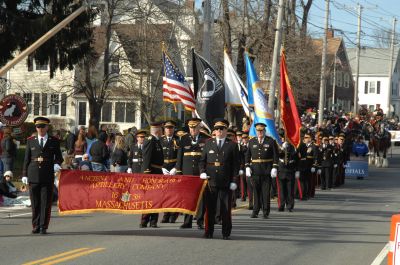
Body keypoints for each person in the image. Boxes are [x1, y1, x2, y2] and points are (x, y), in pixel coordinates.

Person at [22, 117, 63, 234]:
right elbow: (26, 159)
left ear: (47, 127)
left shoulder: (53, 141)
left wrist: (56, 164)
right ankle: (35, 225)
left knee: (45, 202)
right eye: (38, 127)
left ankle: (43, 226)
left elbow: (59, 157)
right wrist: (24, 174)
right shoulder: (31, 140)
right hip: (33, 173)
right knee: (35, 202)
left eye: (42, 126)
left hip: (47, 174)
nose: (40, 129)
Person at [199, 119, 239, 240]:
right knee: (210, 208)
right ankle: (208, 231)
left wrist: (234, 180)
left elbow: (236, 164)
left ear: (226, 130)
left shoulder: (232, 145)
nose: (219, 131)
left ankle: (226, 232)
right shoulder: (208, 143)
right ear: (214, 131)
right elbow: (202, 161)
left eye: (222, 129)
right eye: (217, 129)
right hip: (211, 181)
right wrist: (202, 172)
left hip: (226, 181)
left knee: (225, 209)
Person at [173, 118, 209, 229]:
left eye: (195, 127)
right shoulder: (183, 139)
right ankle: (187, 221)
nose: (193, 130)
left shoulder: (205, 139)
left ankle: (199, 221)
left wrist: (206, 171)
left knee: (201, 197)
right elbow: (180, 157)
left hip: (200, 172)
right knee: (187, 198)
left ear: (199, 127)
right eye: (191, 128)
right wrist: (178, 171)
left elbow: (207, 157)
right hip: (187, 172)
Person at [245, 123, 279, 219]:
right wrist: (247, 166)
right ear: (256, 131)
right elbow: (247, 155)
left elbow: (275, 156)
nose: (260, 132)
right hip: (255, 171)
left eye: (261, 130)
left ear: (264, 131)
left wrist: (274, 167)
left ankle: (265, 211)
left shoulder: (271, 141)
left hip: (266, 170)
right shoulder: (251, 141)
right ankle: (255, 211)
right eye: (258, 131)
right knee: (255, 192)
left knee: (265, 192)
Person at [140, 122, 164, 228]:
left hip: (157, 172)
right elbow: (147, 157)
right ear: (158, 131)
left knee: (156, 197)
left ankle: (153, 221)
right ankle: (145, 220)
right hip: (151, 173)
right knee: (149, 197)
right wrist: (147, 172)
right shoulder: (151, 140)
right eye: (161, 130)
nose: (162, 132)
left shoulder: (156, 141)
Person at [160, 120, 180, 224]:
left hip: (174, 169)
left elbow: (180, 156)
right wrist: (161, 168)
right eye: (167, 128)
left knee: (174, 194)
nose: (169, 129)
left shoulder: (178, 140)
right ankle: (166, 214)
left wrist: (176, 168)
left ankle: (173, 214)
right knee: (165, 194)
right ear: (164, 129)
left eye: (171, 128)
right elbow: (158, 156)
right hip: (164, 169)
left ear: (174, 129)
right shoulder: (160, 140)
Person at [276, 131, 298, 212]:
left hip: (290, 170)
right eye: (282, 137)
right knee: (281, 190)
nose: (284, 139)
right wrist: (282, 148)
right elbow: (277, 155)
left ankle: (289, 206)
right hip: (281, 170)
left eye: (285, 138)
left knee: (290, 190)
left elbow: (296, 158)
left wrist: (297, 170)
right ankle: (281, 205)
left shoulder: (293, 146)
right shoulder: (279, 145)